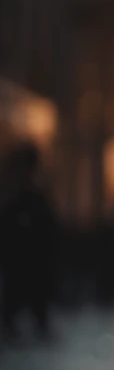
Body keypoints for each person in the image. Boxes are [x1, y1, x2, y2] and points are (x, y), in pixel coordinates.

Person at [0, 143, 59, 340]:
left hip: (35, 262)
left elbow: (48, 230)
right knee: (15, 304)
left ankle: (37, 327)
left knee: (37, 304)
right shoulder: (14, 197)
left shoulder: (37, 199)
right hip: (18, 262)